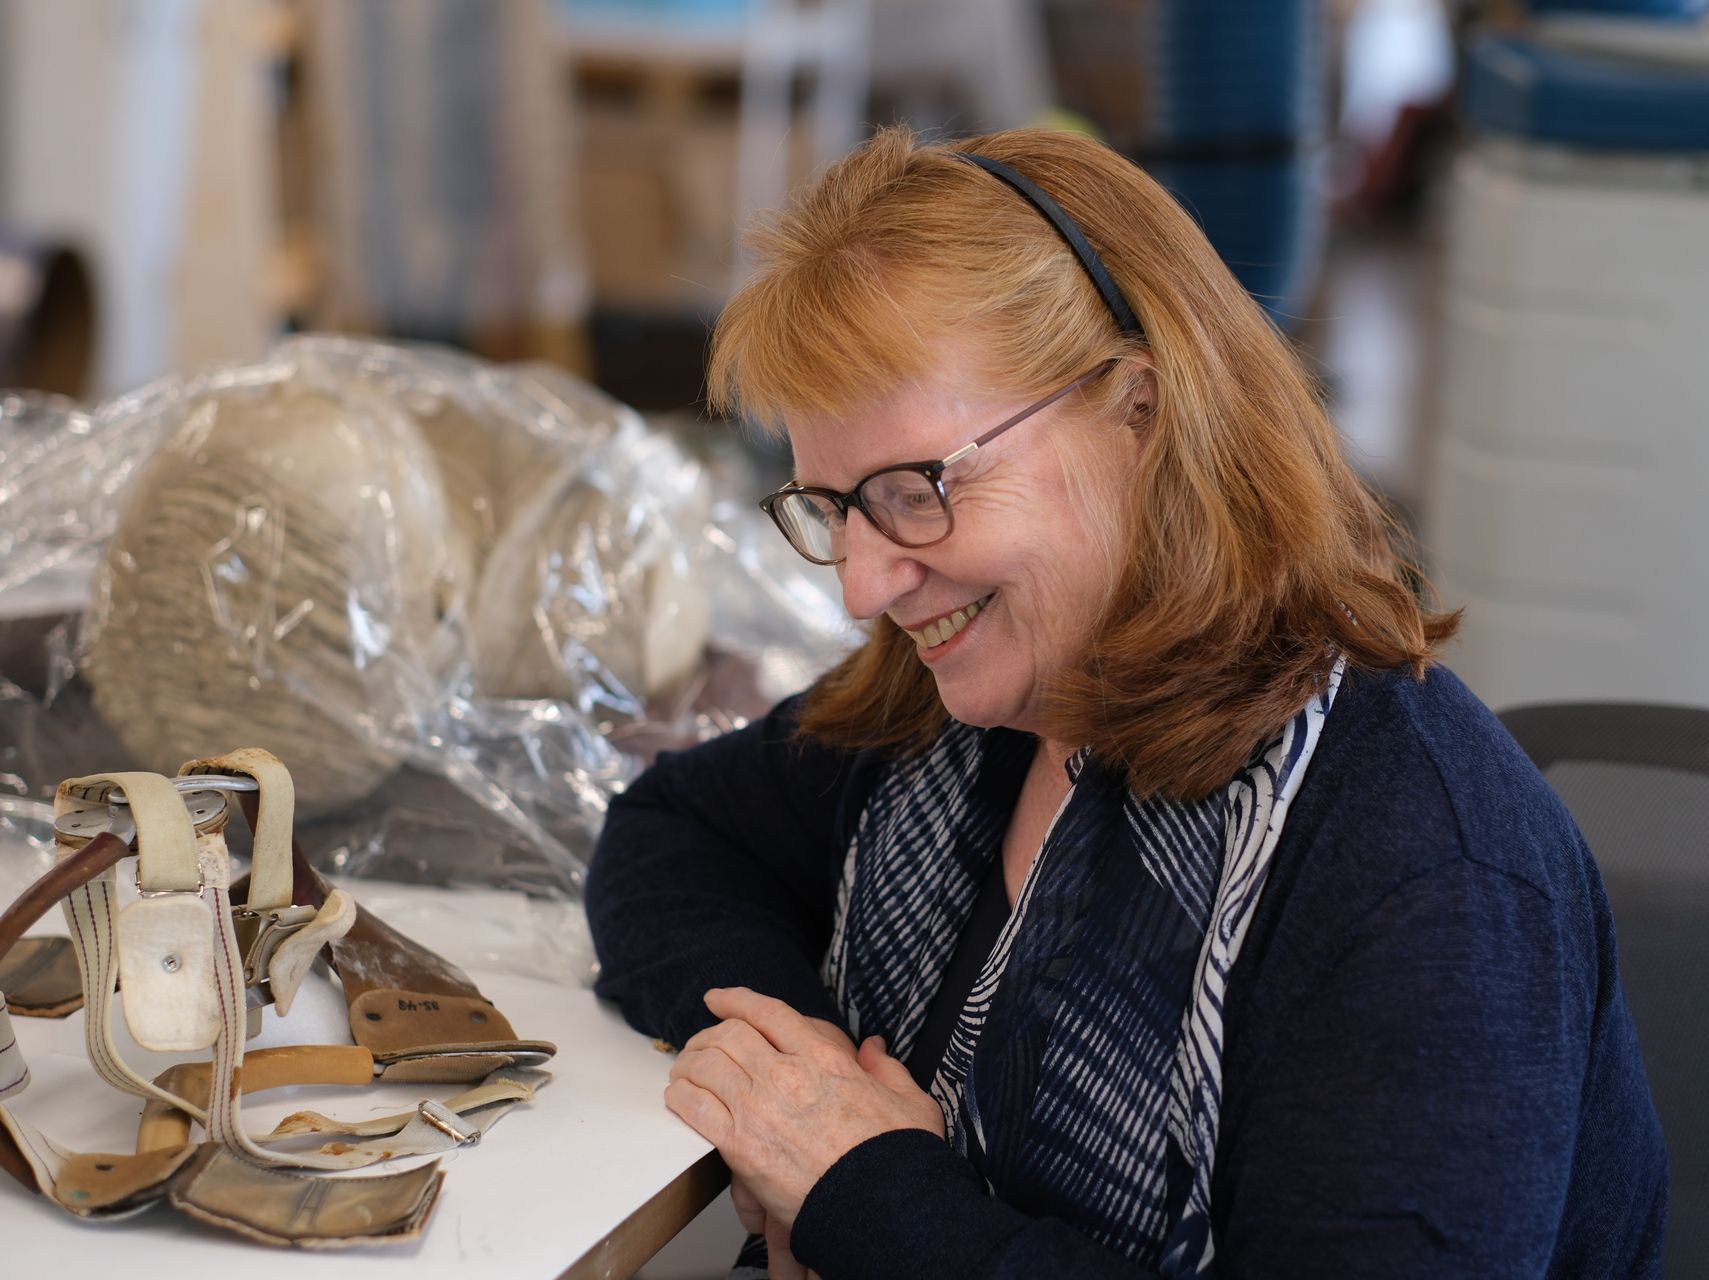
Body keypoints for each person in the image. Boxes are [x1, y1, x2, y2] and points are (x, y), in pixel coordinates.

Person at [585, 126, 1667, 1279]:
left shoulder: (1417, 868)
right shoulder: (964, 713)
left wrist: (867, 1191)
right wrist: (797, 1079)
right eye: (835, 505)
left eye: (915, 490)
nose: (862, 583)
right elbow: (673, 834)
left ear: (1138, 412)